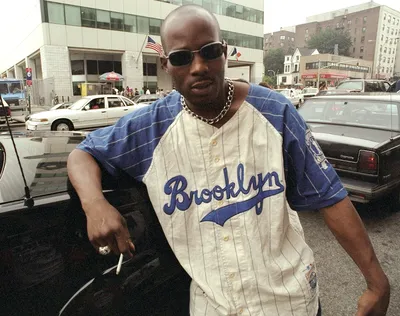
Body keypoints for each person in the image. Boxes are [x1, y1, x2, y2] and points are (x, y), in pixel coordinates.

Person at [68, 5, 390, 316]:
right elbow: (83, 154)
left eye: (208, 51)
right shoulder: (149, 130)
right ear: (166, 64)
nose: (198, 67)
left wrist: (376, 282)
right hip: (214, 307)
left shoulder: (274, 113)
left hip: (289, 304)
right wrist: (94, 204)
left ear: (223, 51)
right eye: (182, 58)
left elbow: (330, 197)